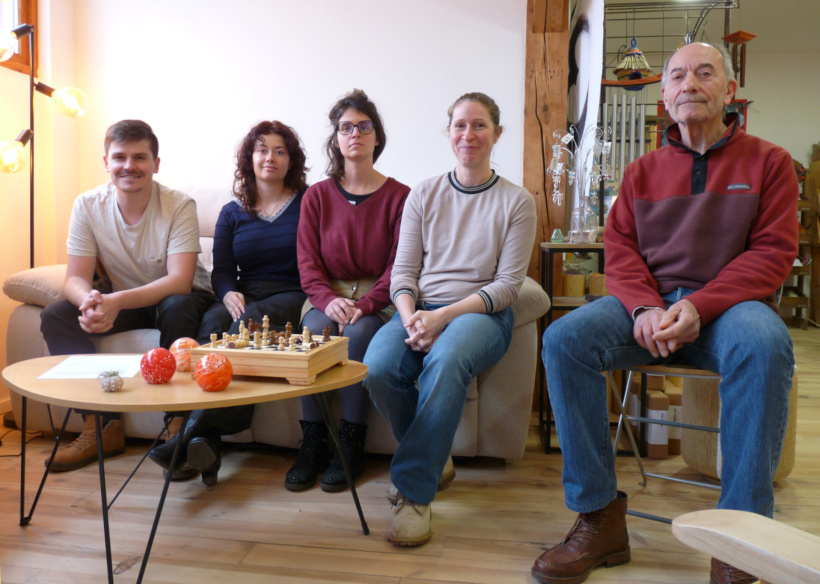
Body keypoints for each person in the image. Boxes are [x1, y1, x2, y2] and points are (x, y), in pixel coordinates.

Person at [533, 42, 798, 584]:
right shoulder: (640, 173)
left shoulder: (769, 162)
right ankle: (599, 517)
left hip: (730, 311)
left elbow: (772, 253)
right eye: (677, 76)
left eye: (704, 73)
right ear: (664, 95)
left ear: (730, 90)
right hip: (651, 306)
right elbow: (621, 251)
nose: (689, 84)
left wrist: (699, 305)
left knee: (765, 344)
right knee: (564, 341)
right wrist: (645, 307)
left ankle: (742, 534)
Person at [363, 92, 537, 547]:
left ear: (497, 134)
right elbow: (403, 274)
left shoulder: (517, 201)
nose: (468, 135)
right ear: (448, 132)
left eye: (479, 125)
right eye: (460, 125)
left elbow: (506, 286)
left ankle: (415, 494)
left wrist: (441, 319)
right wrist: (411, 319)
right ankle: (434, 458)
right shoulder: (423, 194)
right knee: (377, 368)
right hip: (420, 310)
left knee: (446, 359)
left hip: (481, 314)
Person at [40, 120, 214, 472]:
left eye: (140, 157)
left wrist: (116, 301)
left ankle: (177, 427)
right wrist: (89, 301)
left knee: (176, 306)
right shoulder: (88, 205)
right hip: (127, 301)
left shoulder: (179, 205)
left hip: (183, 298)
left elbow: (179, 281)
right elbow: (74, 278)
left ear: (156, 164)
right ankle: (101, 427)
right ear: (106, 162)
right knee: (56, 315)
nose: (128, 166)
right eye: (119, 157)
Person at [148, 120, 309, 486]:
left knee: (246, 324)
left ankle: (189, 436)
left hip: (292, 293)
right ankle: (207, 444)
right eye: (262, 150)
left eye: (279, 151)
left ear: (291, 160)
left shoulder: (308, 203)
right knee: (211, 323)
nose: (270, 157)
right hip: (244, 293)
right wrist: (226, 292)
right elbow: (221, 270)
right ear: (249, 157)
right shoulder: (232, 211)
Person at [290, 89, 410, 493]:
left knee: (358, 335)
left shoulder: (401, 197)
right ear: (336, 138)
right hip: (327, 293)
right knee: (313, 334)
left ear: (377, 137)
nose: (354, 133)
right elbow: (307, 262)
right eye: (345, 127)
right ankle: (312, 445)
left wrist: (370, 303)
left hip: (380, 296)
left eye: (364, 126)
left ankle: (350, 444)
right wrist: (328, 300)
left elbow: (400, 265)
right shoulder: (317, 196)